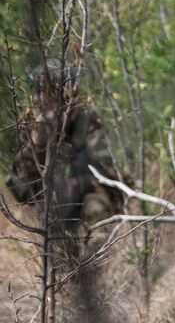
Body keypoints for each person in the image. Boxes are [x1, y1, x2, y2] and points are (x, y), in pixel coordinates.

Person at [6, 62, 125, 257]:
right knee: (57, 248)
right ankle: (66, 276)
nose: (44, 98)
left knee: (97, 213)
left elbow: (106, 171)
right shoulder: (30, 126)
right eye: (40, 91)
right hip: (53, 210)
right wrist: (36, 144)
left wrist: (74, 184)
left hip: (89, 198)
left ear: (68, 93)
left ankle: (95, 267)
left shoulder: (87, 120)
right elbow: (20, 190)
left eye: (52, 91)